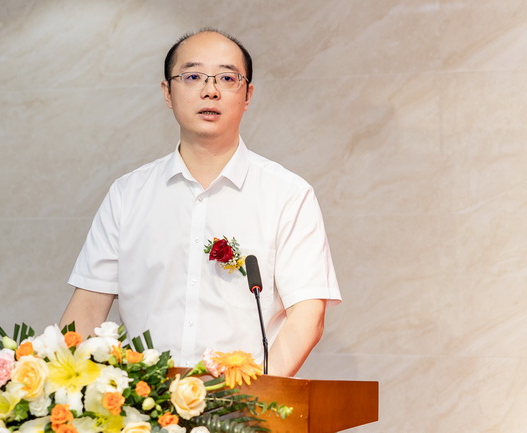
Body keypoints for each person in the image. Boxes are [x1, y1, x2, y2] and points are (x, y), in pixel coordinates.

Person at [60, 29, 341, 377]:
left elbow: (307, 317)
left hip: (242, 403)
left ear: (248, 95)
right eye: (192, 77)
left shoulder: (288, 195)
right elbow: (87, 310)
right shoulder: (127, 194)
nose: (211, 90)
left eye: (227, 78)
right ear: (167, 92)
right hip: (145, 402)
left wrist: (253, 397)